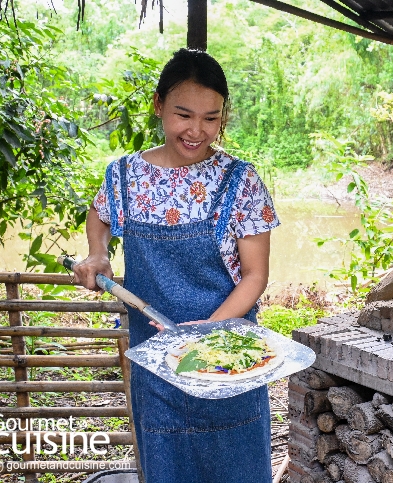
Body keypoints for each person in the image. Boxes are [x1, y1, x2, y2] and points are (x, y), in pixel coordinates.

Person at [72, 48, 279, 483]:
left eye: (211, 117)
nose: (197, 131)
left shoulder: (241, 182)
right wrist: (98, 251)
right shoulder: (125, 176)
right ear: (158, 105)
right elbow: (100, 215)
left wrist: (204, 336)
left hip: (229, 362)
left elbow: (255, 277)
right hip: (157, 368)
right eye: (184, 115)